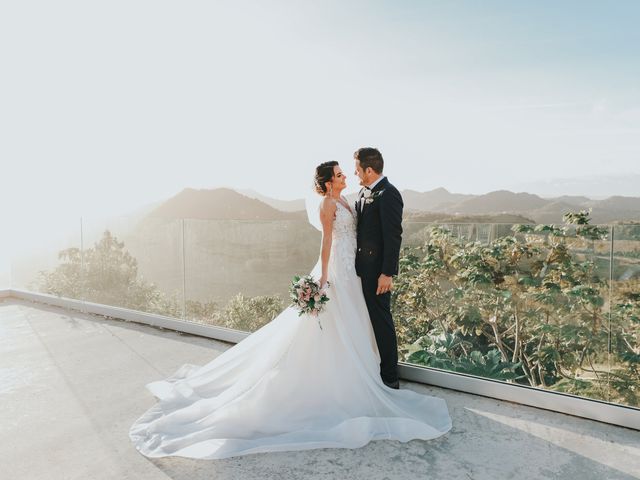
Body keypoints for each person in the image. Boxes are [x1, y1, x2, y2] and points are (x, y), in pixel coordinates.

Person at [129, 161, 451, 460]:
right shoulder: (328, 205)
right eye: (339, 174)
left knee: (354, 323)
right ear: (327, 184)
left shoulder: (346, 201)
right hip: (336, 271)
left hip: (352, 272)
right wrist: (323, 278)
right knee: (333, 326)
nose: (344, 177)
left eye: (344, 172)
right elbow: (326, 242)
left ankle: (366, 373)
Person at [353, 147, 403, 390]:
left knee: (381, 319)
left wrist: (387, 273)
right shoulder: (364, 192)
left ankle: (390, 376)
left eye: (357, 170)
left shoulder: (389, 194)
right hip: (360, 269)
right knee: (366, 318)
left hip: (377, 273)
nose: (355, 174)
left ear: (369, 170)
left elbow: (393, 237)